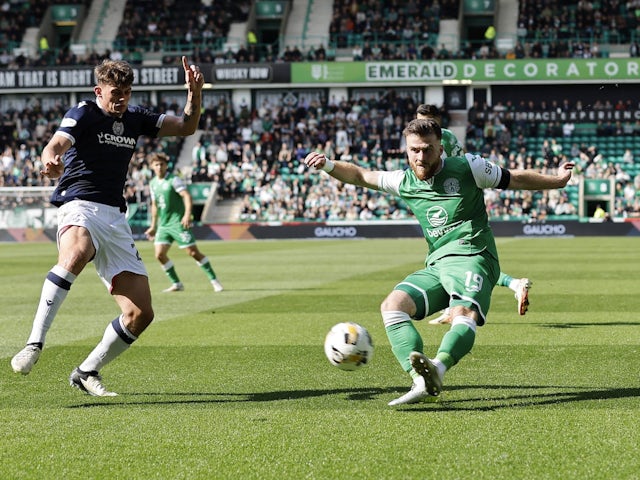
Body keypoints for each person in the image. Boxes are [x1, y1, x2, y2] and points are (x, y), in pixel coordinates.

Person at [303, 118, 574, 406]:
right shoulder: (404, 181)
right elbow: (359, 175)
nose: (420, 157)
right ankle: (421, 380)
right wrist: (329, 166)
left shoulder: (469, 167)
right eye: (414, 150)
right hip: (437, 264)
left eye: (428, 150)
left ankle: (439, 367)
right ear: (406, 151)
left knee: (463, 312)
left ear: (441, 148)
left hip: (474, 254)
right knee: (393, 306)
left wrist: (557, 181)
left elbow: (515, 178)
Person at [10, 56, 205, 396]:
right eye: (116, 92)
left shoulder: (135, 117)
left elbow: (187, 126)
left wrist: (194, 93)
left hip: (115, 217)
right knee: (77, 252)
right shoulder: (84, 112)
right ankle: (34, 344)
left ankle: (86, 371)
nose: (122, 99)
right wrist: (49, 160)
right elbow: (55, 143)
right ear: (99, 90)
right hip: (79, 203)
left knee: (140, 314)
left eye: (127, 93)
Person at [416, 104, 531, 324]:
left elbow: (443, 170)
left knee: (448, 254)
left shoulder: (440, 141)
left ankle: (454, 307)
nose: (422, 126)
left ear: (437, 122)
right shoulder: (441, 138)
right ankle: (514, 284)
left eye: (427, 121)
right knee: (469, 259)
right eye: (419, 120)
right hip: (456, 197)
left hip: (452, 200)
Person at [145, 152, 223, 293]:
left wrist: (187, 215)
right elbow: (155, 205)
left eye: (162, 164)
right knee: (159, 255)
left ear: (166, 165)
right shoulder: (153, 184)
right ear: (152, 166)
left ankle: (214, 281)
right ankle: (177, 283)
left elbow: (186, 196)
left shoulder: (174, 180)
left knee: (193, 253)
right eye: (156, 164)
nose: (159, 167)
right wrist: (153, 226)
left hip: (178, 223)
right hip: (164, 225)